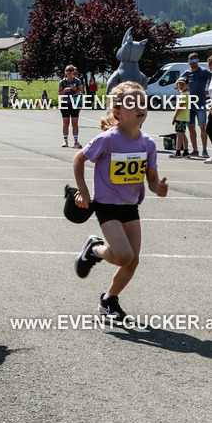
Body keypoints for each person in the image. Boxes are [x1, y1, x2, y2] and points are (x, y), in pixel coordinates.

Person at [72, 82, 168, 323]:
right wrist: (83, 190)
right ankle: (94, 250)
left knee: (132, 260)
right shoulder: (107, 140)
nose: (139, 107)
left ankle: (109, 299)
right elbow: (78, 159)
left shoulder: (148, 143)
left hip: (130, 206)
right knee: (124, 256)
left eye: (142, 103)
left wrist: (158, 188)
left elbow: (152, 179)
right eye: (131, 104)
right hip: (107, 206)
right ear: (117, 113)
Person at [181, 53, 211, 157]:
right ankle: (195, 150)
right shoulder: (186, 73)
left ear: (198, 61)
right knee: (190, 127)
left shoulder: (203, 71)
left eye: (195, 60)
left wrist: (208, 91)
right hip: (189, 105)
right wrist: (182, 91)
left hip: (201, 104)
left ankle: (204, 150)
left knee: (203, 127)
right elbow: (179, 82)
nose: (193, 63)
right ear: (188, 61)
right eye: (191, 60)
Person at [58, 64, 83, 147]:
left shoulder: (77, 81)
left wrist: (75, 90)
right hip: (65, 103)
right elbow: (59, 94)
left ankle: (75, 141)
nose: (69, 72)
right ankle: (65, 141)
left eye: (70, 70)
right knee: (65, 123)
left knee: (74, 123)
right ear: (65, 72)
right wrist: (64, 90)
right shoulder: (63, 82)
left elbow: (81, 92)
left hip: (74, 103)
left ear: (73, 72)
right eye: (67, 70)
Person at [171, 79, 191, 158]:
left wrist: (174, 117)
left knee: (179, 134)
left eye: (182, 84)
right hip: (183, 117)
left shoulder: (185, 95)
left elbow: (180, 107)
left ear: (187, 85)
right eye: (179, 85)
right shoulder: (184, 93)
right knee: (182, 134)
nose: (180, 86)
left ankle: (178, 152)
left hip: (180, 117)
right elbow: (177, 84)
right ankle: (185, 151)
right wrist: (178, 82)